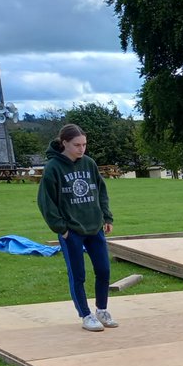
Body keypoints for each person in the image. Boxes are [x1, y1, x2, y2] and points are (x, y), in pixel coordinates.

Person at [37, 123, 117, 332]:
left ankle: (102, 310)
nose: (81, 149)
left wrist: (106, 217)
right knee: (78, 274)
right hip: (71, 231)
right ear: (64, 143)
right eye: (76, 145)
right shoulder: (53, 168)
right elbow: (46, 202)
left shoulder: (89, 164)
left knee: (104, 270)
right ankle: (85, 314)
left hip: (94, 227)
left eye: (84, 145)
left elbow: (101, 191)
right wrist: (61, 228)